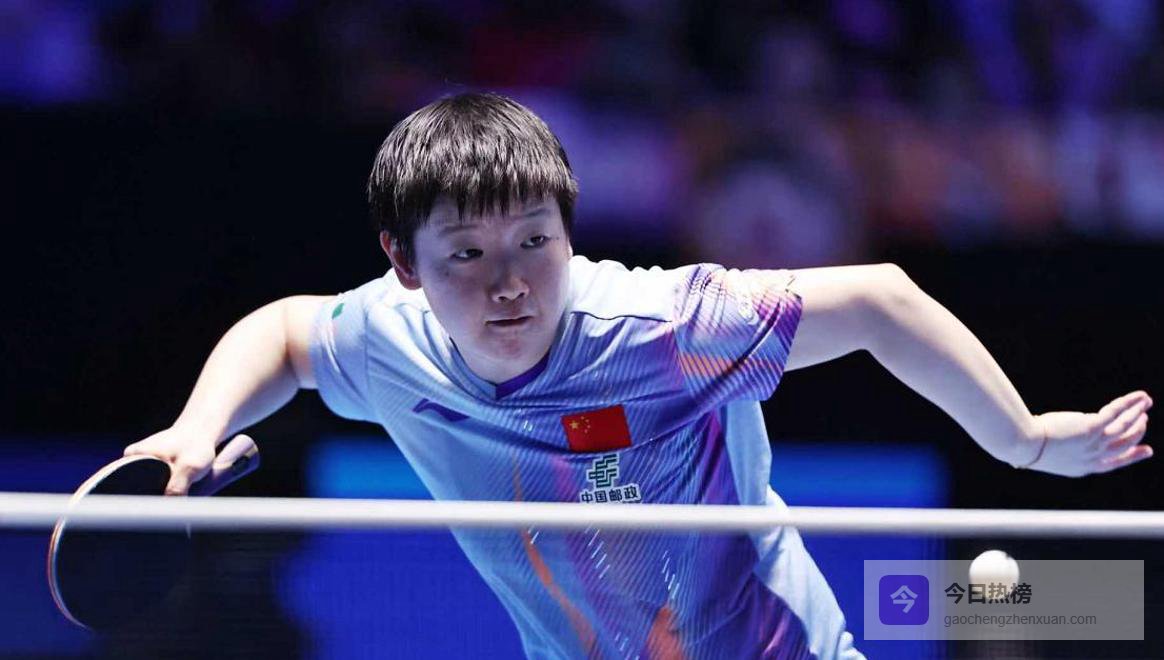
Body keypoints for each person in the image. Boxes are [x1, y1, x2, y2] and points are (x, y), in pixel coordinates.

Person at [125, 92, 1153, 659]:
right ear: (404, 261)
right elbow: (289, 334)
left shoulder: (663, 329)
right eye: (467, 255)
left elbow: (881, 299)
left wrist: (1025, 439)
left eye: (535, 242)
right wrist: (194, 430)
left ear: (571, 231)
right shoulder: (392, 339)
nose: (510, 283)